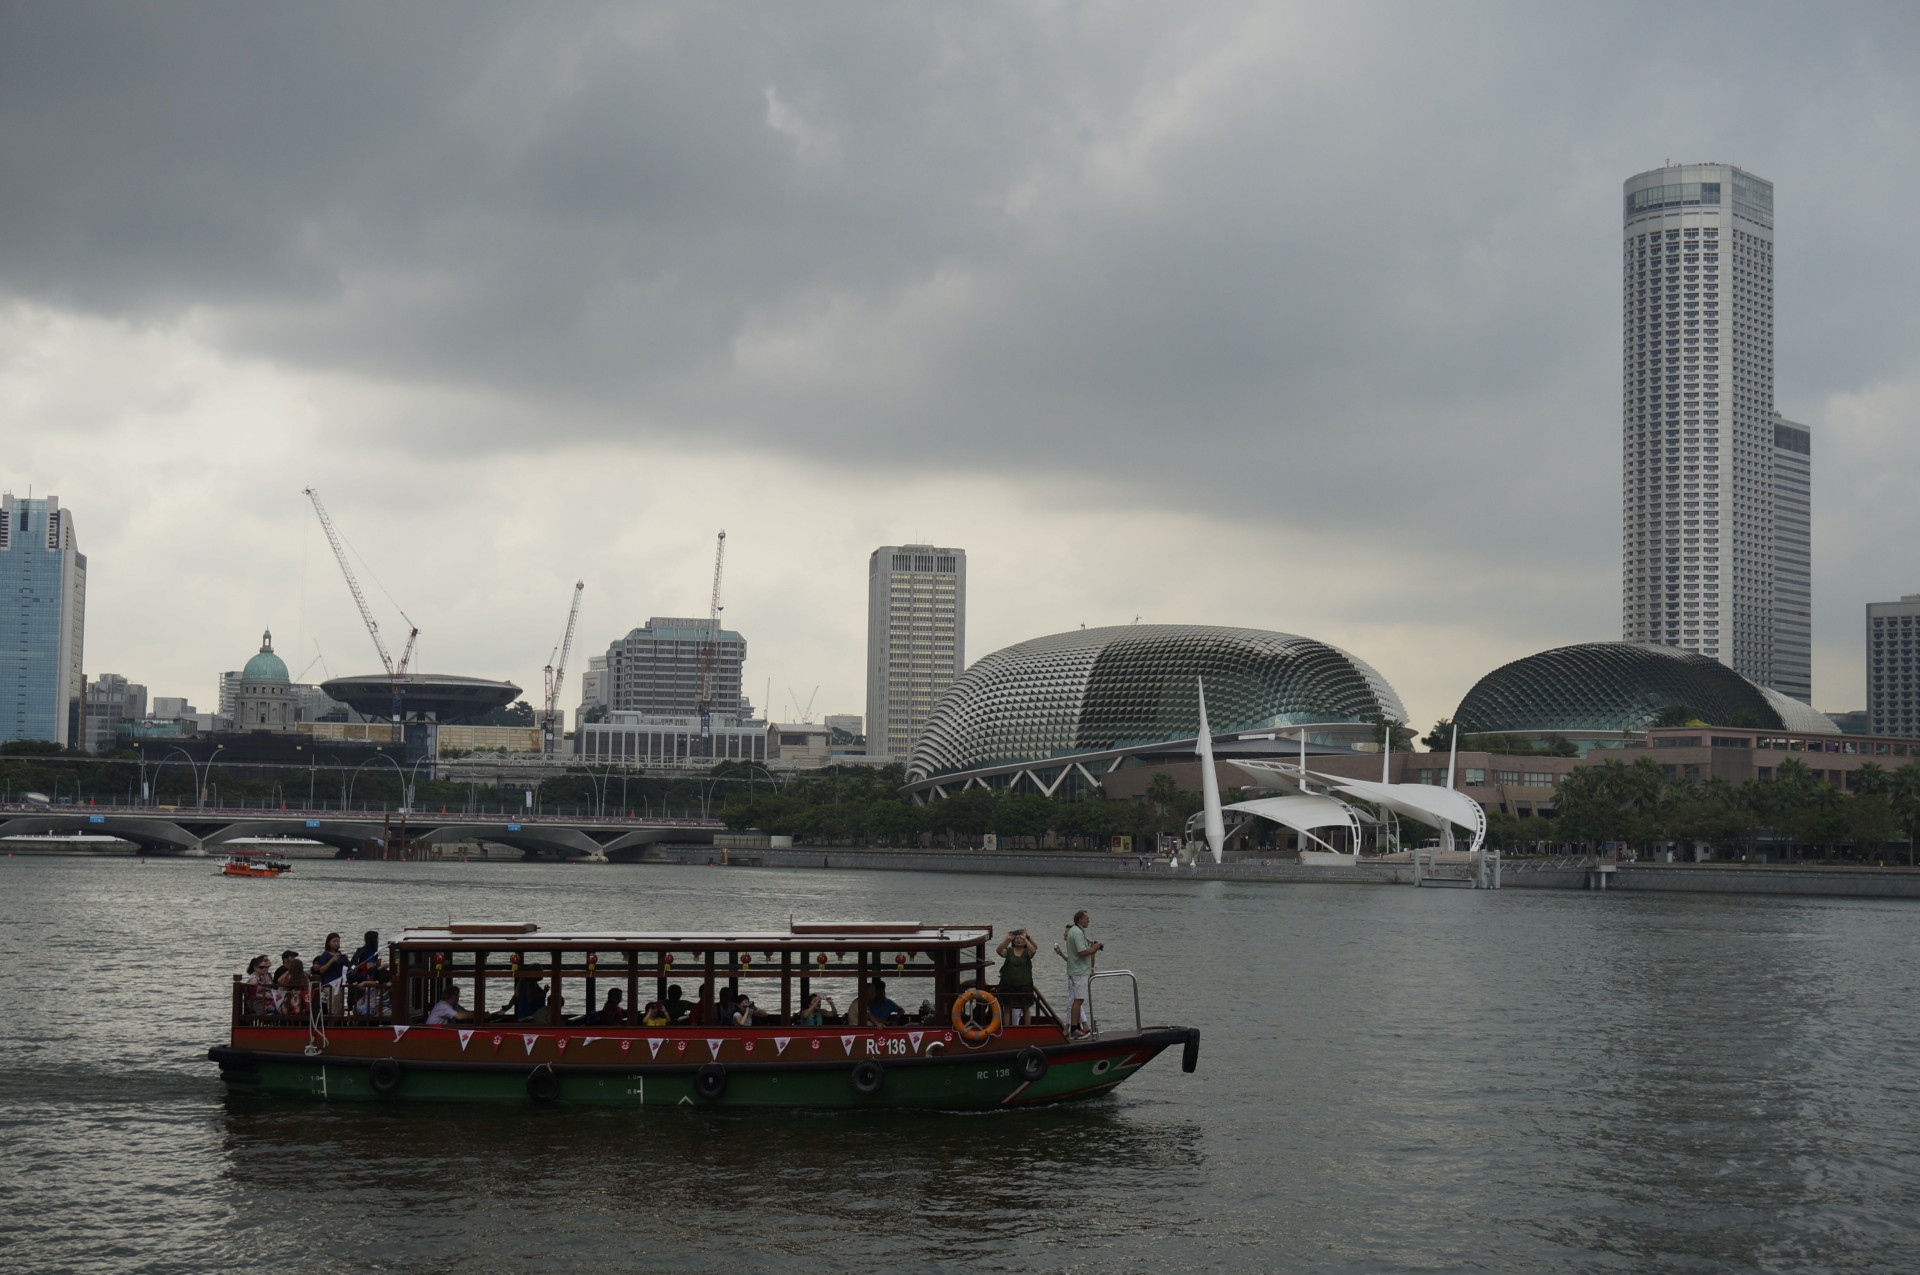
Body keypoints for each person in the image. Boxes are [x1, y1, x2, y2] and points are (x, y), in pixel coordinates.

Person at [1062, 910, 1103, 1037]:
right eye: (1086, 918)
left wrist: (1092, 947)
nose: (1088, 921)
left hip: (1077, 970)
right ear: (1080, 920)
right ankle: (1074, 1029)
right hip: (1079, 971)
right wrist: (1095, 948)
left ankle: (1078, 1027)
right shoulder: (1077, 932)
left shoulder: (1075, 931)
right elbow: (1082, 952)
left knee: (1078, 1000)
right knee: (1078, 1000)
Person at [995, 927, 1038, 1026]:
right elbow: (999, 951)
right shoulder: (1009, 951)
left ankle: (1027, 1030)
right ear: (1013, 941)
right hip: (1008, 985)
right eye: (1017, 938)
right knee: (1007, 1008)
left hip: (1024, 985)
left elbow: (1033, 951)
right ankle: (1007, 1029)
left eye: (1020, 938)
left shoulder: (1027, 952)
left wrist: (1026, 938)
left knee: (1025, 1008)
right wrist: (1007, 939)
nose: (1019, 940)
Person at [311, 932, 348, 1013]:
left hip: (339, 983)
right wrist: (331, 960)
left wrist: (346, 960)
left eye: (338, 941)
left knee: (339, 1005)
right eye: (334, 941)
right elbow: (321, 970)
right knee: (333, 1005)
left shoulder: (339, 954)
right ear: (329, 942)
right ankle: (333, 1018)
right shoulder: (325, 955)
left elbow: (344, 969)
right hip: (329, 984)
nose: (336, 943)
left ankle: (339, 1019)